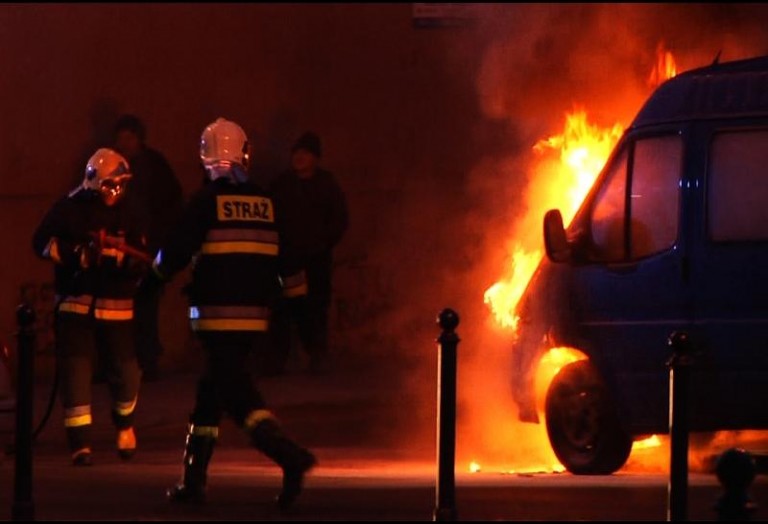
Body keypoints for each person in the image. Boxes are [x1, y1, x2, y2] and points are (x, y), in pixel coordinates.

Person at [146, 118, 316, 510]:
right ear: (244, 155)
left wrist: (149, 286)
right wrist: (303, 320)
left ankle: (289, 456)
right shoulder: (268, 203)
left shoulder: (205, 202)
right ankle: (192, 483)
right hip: (254, 320)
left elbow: (172, 253)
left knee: (240, 399)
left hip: (215, 319)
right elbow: (290, 265)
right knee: (209, 397)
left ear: (205, 158)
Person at [32, 148, 149, 466]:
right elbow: (41, 242)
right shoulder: (69, 208)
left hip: (118, 306)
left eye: (122, 185)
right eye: (111, 185)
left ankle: (125, 425)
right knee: (76, 373)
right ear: (94, 183)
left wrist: (123, 261)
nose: (116, 192)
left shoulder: (132, 211)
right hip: (75, 304)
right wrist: (77, 255)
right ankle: (80, 444)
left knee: (127, 373)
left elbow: (143, 253)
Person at [267, 131, 349, 375]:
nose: (300, 157)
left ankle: (316, 355)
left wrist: (323, 244)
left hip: (316, 259)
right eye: (297, 153)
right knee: (284, 308)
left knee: (315, 307)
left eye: (306, 153)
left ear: (316, 158)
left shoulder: (327, 185)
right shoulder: (282, 185)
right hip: (287, 258)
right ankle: (278, 360)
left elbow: (339, 219)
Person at [113, 114, 183, 381]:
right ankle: (119, 362)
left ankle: (148, 360)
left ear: (139, 139)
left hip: (149, 247)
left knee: (146, 306)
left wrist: (161, 241)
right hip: (121, 246)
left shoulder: (154, 165)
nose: (123, 143)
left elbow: (171, 203)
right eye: (120, 138)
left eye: (128, 137)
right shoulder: (113, 164)